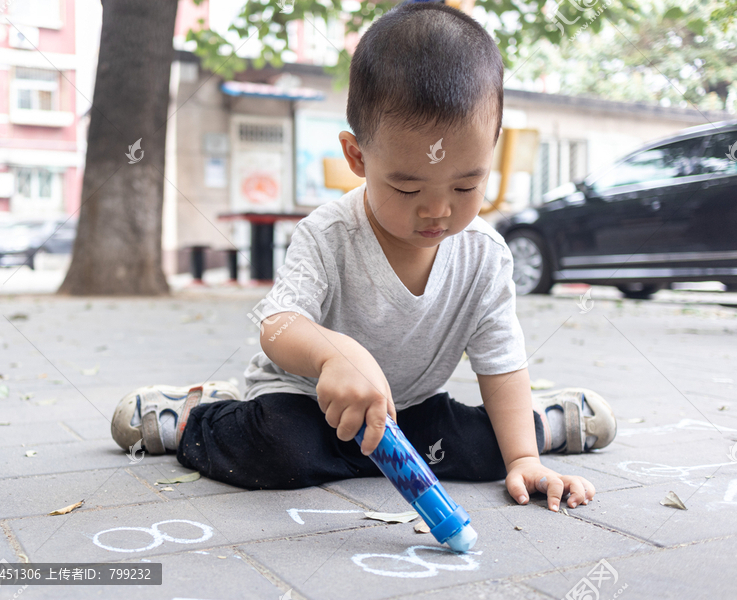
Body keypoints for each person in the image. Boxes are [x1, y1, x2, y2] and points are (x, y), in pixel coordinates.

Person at [111, 2, 617, 514]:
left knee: (489, 451)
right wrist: (333, 355)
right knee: (283, 453)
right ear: (358, 157)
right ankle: (199, 413)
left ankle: (539, 426)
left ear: (490, 149)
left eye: (467, 183)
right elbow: (278, 325)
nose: (438, 210)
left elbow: (501, 362)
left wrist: (522, 458)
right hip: (305, 406)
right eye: (406, 185)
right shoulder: (329, 234)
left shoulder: (485, 255)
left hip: (408, 414)